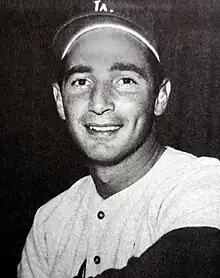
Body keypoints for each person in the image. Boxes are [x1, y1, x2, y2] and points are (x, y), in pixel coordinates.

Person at [18, 1, 220, 277]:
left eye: (125, 80)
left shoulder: (203, 183)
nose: (99, 103)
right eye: (81, 82)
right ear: (59, 100)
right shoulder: (49, 221)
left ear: (159, 98)